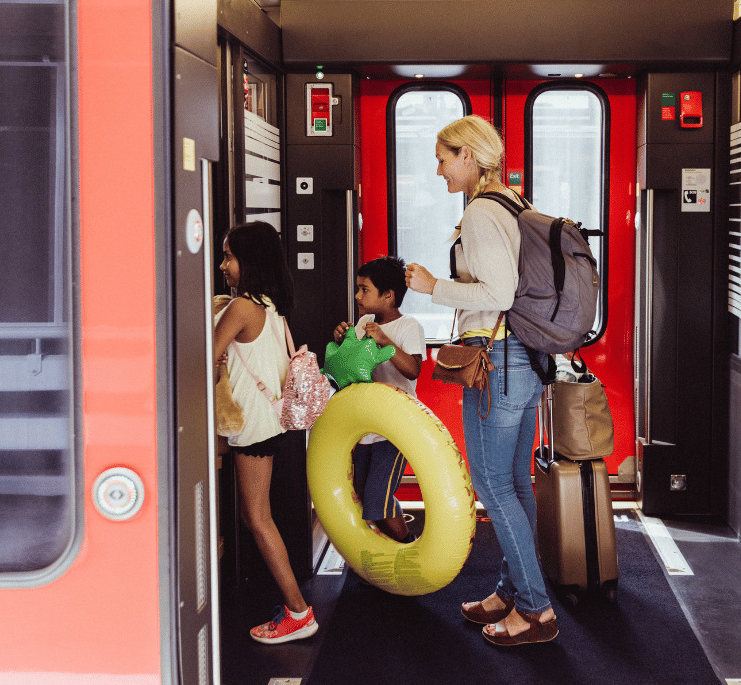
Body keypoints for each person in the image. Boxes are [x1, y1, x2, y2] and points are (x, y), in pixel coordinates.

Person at [405, 114, 558, 646]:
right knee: (514, 483)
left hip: (500, 360)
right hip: (523, 358)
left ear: (468, 156)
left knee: (494, 486)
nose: (440, 170)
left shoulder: (482, 213)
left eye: (444, 158)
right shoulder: (514, 203)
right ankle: (510, 593)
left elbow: (498, 294)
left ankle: (536, 611)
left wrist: (433, 287)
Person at [213, 221, 318, 645]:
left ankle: (298, 612)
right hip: (265, 421)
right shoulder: (270, 304)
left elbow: (207, 354)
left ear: (249, 261)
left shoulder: (242, 308)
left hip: (251, 426)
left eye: (229, 256)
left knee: (257, 518)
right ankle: (295, 608)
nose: (223, 265)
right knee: (253, 515)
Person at [332, 256, 426, 543]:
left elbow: (412, 370)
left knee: (378, 498)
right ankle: (388, 557)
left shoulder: (409, 325)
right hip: (365, 427)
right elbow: (353, 369)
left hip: (396, 428)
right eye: (358, 289)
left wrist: (385, 340)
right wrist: (342, 343)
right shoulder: (362, 323)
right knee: (365, 495)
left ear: (388, 296)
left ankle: (408, 550)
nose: (358, 296)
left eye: (365, 290)